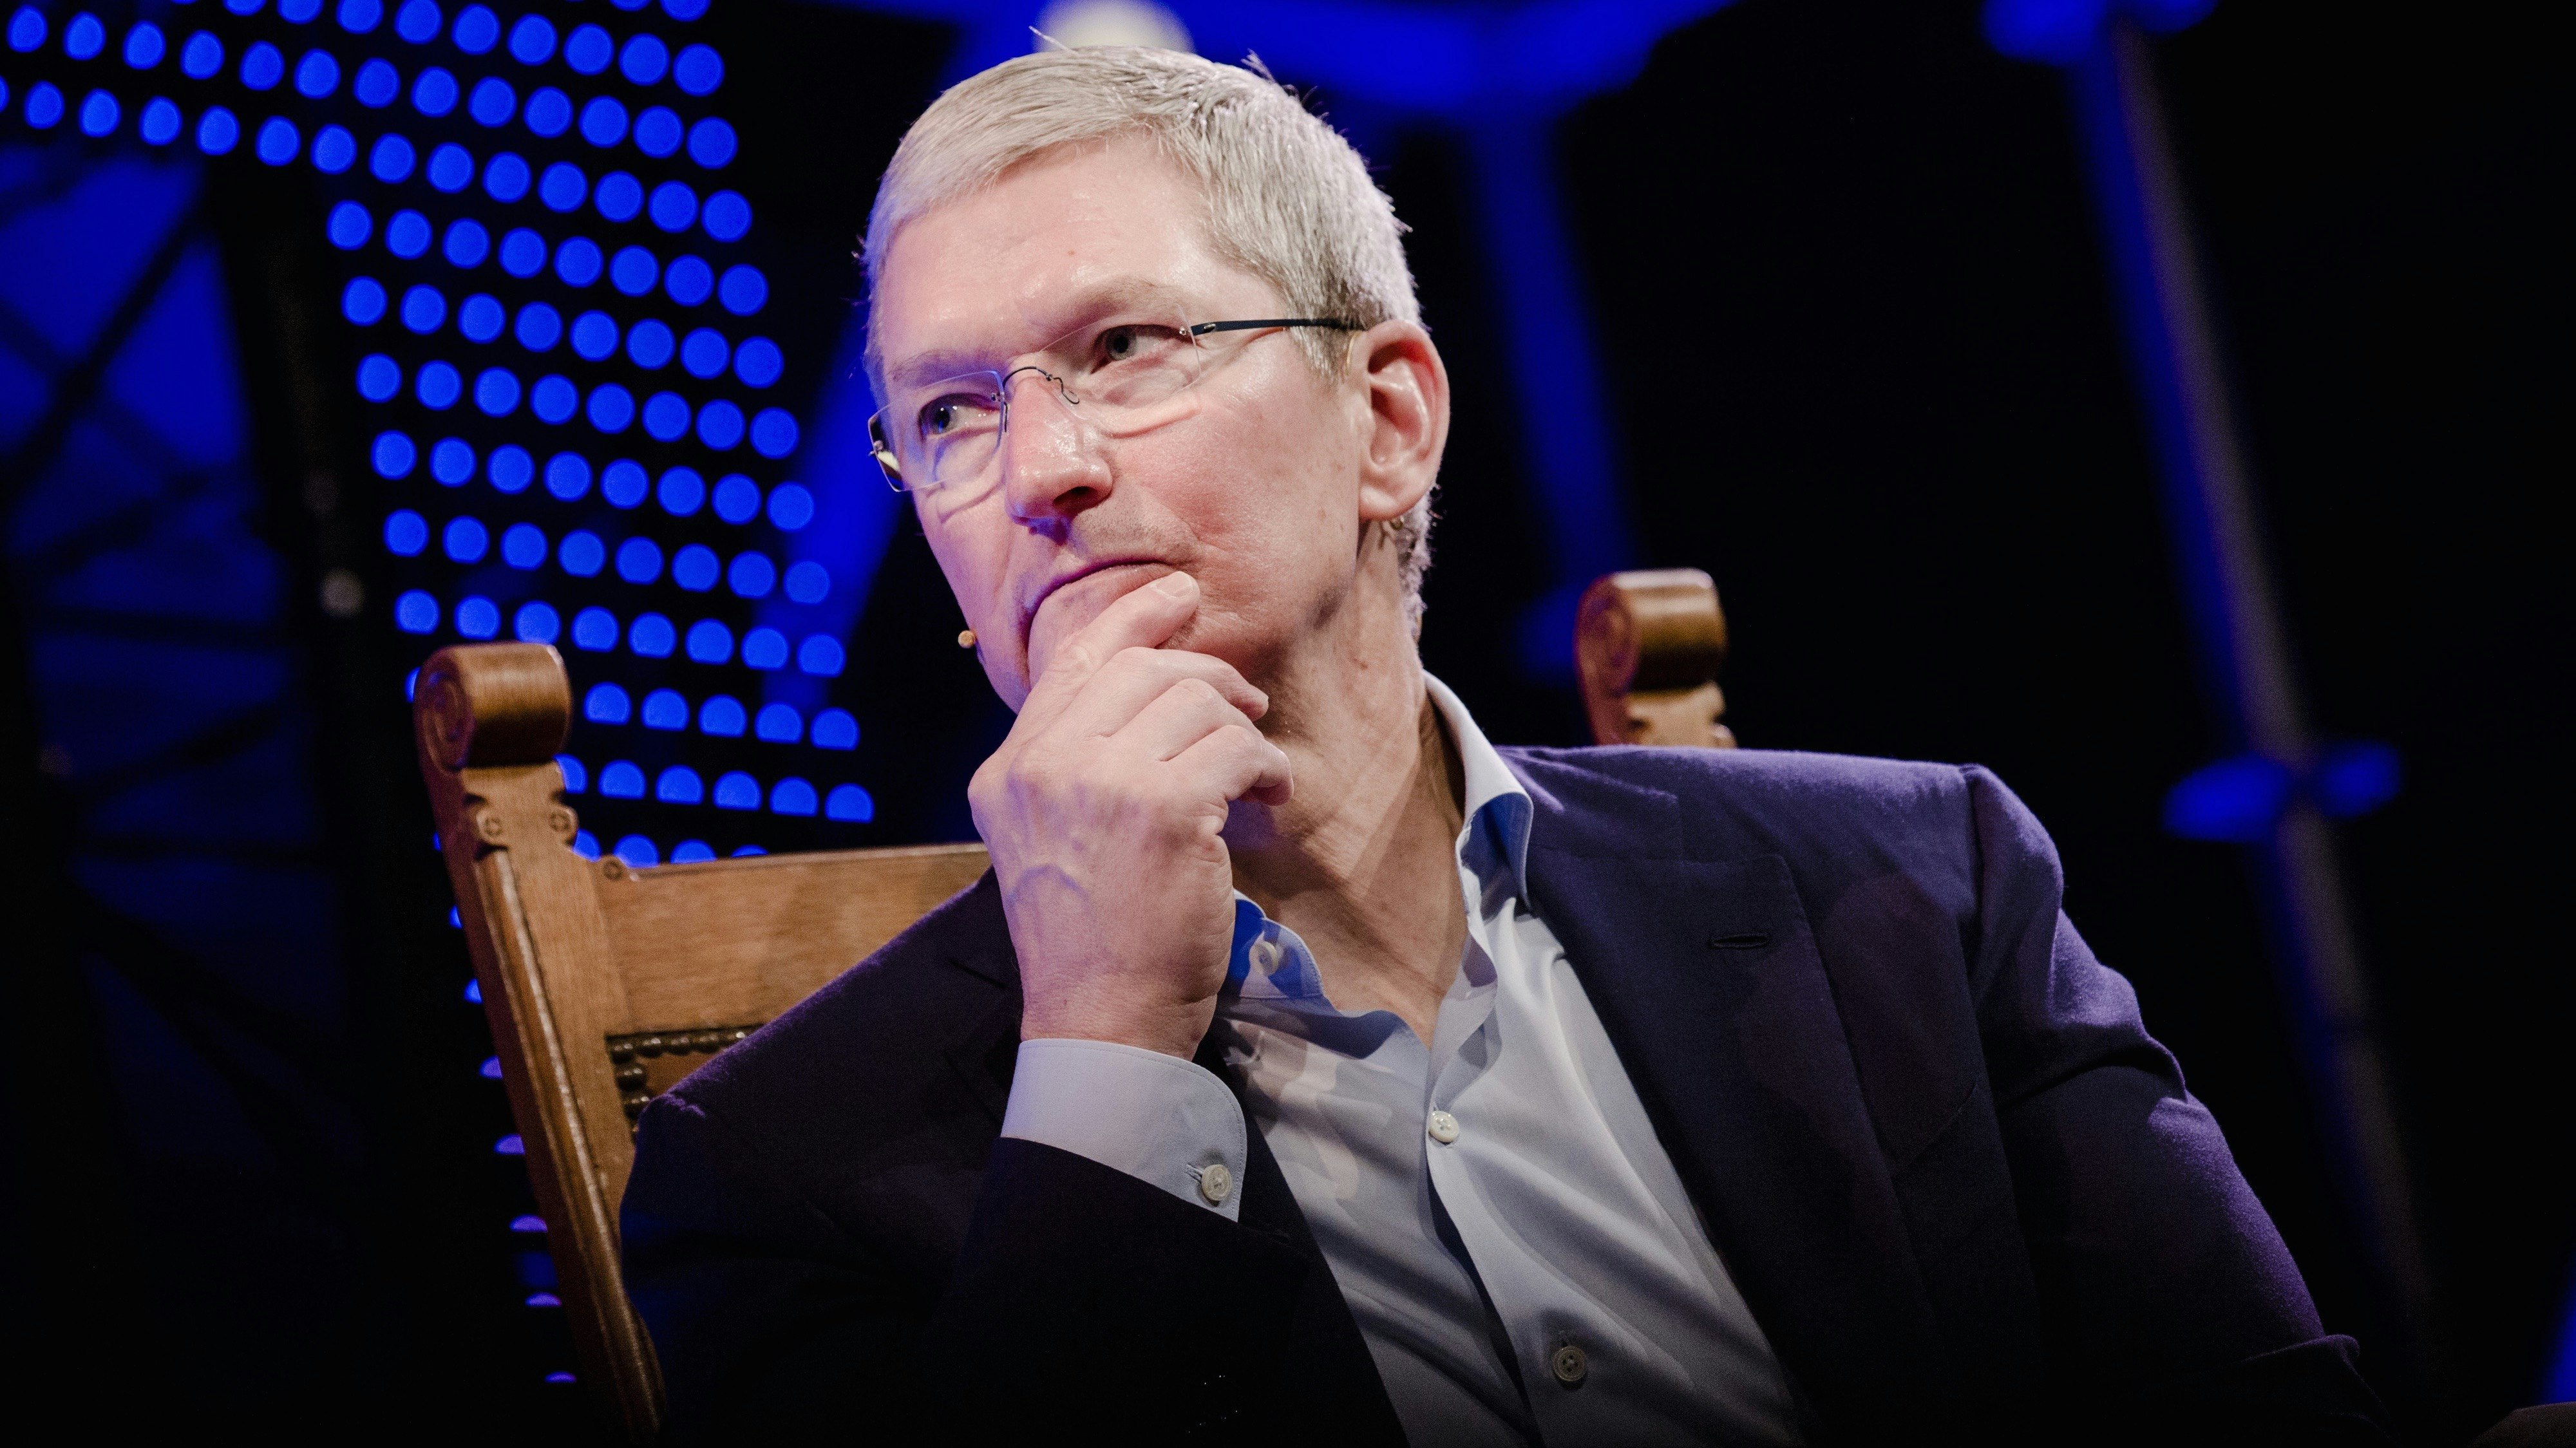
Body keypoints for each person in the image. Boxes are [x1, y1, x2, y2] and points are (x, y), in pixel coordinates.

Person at [620, 45, 2392, 1446]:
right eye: (947, 413)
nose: (1043, 469)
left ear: (1389, 418)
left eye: (1125, 347)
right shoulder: (770, 1171)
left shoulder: (1919, 884)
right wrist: (1101, 1056)